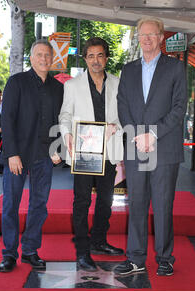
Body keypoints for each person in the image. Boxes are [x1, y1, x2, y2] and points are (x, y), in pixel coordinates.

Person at [114, 17, 187, 277]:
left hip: (164, 148)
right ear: (138, 38)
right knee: (137, 204)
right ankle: (135, 258)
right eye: (142, 35)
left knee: (163, 205)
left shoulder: (175, 68)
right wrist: (137, 135)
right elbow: (122, 104)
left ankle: (165, 258)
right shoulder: (128, 69)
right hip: (136, 146)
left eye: (151, 35)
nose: (146, 39)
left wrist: (152, 135)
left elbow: (180, 108)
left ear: (160, 37)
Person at [59, 37, 124, 272]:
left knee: (106, 200)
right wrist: (66, 133)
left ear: (106, 58)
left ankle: (99, 241)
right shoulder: (72, 86)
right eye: (91, 56)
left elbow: (126, 114)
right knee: (82, 201)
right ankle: (83, 252)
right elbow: (65, 115)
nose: (95, 60)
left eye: (100, 55)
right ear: (85, 58)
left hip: (109, 149)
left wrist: (116, 126)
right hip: (84, 149)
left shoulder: (119, 84)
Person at [0, 39, 63, 273]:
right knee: (10, 204)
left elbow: (60, 122)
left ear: (52, 58)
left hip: (44, 156)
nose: (44, 59)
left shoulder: (58, 88)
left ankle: (30, 251)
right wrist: (12, 153)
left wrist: (58, 149)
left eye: (48, 55)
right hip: (19, 155)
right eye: (39, 55)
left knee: (39, 205)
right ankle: (9, 253)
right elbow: (7, 119)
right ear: (31, 58)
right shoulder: (17, 82)